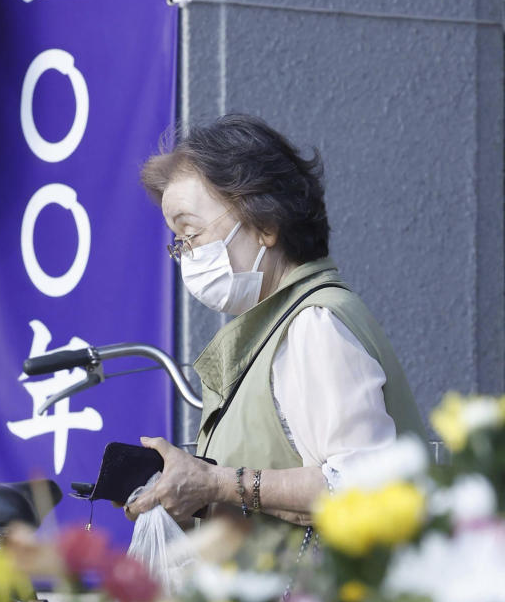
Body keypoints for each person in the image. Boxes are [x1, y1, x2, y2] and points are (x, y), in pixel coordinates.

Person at [126, 114, 426, 533]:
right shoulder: (283, 326)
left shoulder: (314, 324)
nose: (185, 255)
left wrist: (214, 482)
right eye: (178, 244)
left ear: (265, 225)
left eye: (190, 234)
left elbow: (365, 487)